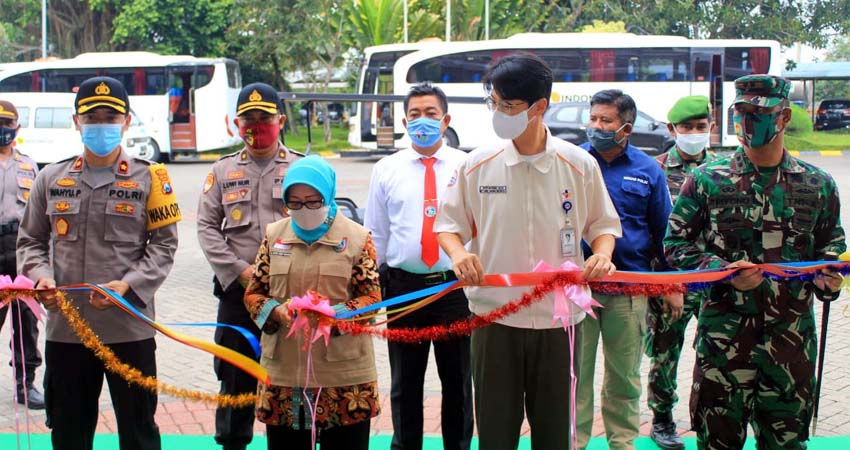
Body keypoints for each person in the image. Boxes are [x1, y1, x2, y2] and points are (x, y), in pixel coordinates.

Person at [434, 54, 622, 450]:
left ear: (540, 107)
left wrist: (602, 254)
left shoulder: (578, 165)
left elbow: (603, 227)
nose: (498, 113)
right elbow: (448, 227)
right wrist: (457, 254)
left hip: (560, 320)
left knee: (555, 432)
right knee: (496, 431)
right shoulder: (477, 166)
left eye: (508, 105)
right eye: (494, 103)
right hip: (494, 318)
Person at [664, 75, 846, 449]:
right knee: (717, 442)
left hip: (789, 344)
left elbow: (832, 249)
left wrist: (830, 281)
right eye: (741, 113)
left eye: (758, 113)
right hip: (723, 342)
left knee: (786, 443)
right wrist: (722, 273)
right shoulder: (706, 180)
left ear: (783, 117)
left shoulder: (818, 184)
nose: (748, 123)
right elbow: (676, 244)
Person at [17, 76, 180, 450]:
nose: (100, 124)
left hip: (129, 328)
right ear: (77, 121)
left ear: (126, 121)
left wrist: (128, 286)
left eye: (110, 116)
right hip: (66, 330)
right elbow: (31, 240)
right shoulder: (50, 177)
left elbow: (164, 246)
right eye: (92, 117)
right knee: (69, 431)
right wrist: (40, 279)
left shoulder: (152, 177)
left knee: (139, 432)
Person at [243, 155, 382, 450]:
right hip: (285, 373)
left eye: (313, 201)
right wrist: (277, 311)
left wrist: (335, 314)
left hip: (343, 376)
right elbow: (254, 293)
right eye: (295, 202)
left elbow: (372, 299)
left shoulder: (357, 239)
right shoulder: (274, 235)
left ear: (328, 196)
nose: (304, 210)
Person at [364, 82, 472, 450]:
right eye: (414, 115)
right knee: (405, 381)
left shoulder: (467, 165)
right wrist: (371, 284)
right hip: (402, 288)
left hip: (453, 288)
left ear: (446, 120)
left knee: (457, 380)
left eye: (430, 114)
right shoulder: (386, 168)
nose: (421, 121)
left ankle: (456, 445)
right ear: (404, 121)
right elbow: (376, 232)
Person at [197, 82, 304, 450]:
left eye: (264, 118)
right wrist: (239, 272)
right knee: (235, 378)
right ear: (235, 123)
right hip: (238, 294)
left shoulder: (302, 168)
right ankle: (232, 442)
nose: (255, 127)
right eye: (248, 119)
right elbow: (206, 227)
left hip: (291, 296)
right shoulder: (223, 170)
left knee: (291, 379)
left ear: (281, 120)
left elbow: (321, 220)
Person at [574, 89, 676, 450]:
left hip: (628, 288)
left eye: (606, 121)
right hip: (576, 290)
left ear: (626, 128)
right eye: (593, 119)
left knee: (624, 375)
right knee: (575, 376)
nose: (596, 126)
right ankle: (576, 441)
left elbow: (663, 231)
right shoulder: (572, 162)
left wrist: (670, 284)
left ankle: (622, 442)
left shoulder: (648, 170)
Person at [646, 95, 720, 450]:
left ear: (712, 128)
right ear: (672, 129)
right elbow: (651, 233)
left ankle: (709, 418)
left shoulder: (725, 170)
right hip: (669, 282)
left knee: (716, 354)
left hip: (714, 282)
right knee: (664, 353)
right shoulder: (654, 170)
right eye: (687, 127)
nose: (694, 133)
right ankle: (662, 420)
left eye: (700, 127)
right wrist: (666, 281)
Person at [0, 99, 43, 410]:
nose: (2, 131)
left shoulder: (30, 165)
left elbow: (40, 214)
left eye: (6, 125)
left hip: (22, 246)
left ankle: (25, 386)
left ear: (16, 128)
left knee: (26, 320)